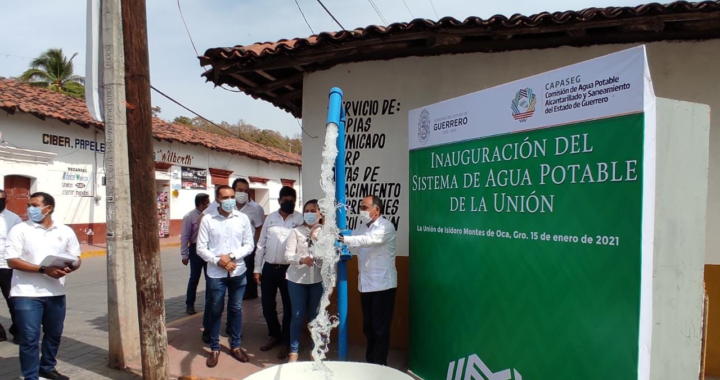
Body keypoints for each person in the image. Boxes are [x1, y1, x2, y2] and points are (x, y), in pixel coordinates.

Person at [6, 192, 82, 380]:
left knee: (54, 334)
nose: (30, 209)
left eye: (35, 205)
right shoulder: (20, 229)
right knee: (30, 338)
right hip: (25, 293)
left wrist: (70, 267)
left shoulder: (65, 231)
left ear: (49, 208)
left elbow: (76, 258)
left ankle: (47, 367)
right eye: (29, 205)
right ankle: (31, 376)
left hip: (55, 292)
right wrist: (43, 269)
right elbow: (12, 261)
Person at [197, 185, 254, 367]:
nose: (229, 200)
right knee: (215, 310)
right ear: (217, 200)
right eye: (225, 197)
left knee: (236, 309)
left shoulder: (243, 219)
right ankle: (214, 348)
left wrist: (230, 257)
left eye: (231, 196)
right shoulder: (208, 219)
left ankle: (236, 346)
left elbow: (249, 245)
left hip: (238, 271)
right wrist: (218, 261)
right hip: (216, 274)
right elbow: (201, 248)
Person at [339, 195, 397, 366]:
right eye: (361, 207)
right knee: (369, 328)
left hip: (383, 286)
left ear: (376, 210)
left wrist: (346, 239)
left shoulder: (386, 227)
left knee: (380, 329)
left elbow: (369, 240)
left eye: (365, 207)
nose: (361, 211)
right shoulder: (362, 227)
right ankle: (371, 362)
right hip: (365, 285)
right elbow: (352, 241)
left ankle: (380, 365)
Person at [254, 186, 303, 359]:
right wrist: (257, 269)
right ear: (279, 200)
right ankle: (273, 334)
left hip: (289, 269)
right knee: (267, 305)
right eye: (285, 200)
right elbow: (261, 244)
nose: (289, 203)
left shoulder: (300, 218)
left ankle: (286, 341)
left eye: (292, 200)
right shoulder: (271, 219)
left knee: (289, 306)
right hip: (269, 268)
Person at [284, 199, 324, 362]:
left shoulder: (325, 232)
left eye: (313, 211)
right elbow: (287, 255)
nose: (309, 214)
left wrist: (316, 238)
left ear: (320, 214)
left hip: (317, 280)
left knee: (315, 316)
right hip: (297, 280)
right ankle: (294, 350)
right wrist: (301, 259)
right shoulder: (296, 232)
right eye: (306, 210)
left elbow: (328, 256)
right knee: (297, 315)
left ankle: (315, 349)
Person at [231, 178, 264, 300]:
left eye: (246, 191)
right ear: (233, 190)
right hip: (232, 248)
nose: (243, 193)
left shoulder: (255, 208)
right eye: (240, 190)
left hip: (248, 248)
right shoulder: (228, 205)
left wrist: (255, 246)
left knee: (248, 274)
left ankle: (249, 294)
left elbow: (259, 227)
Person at [181, 193, 210, 315]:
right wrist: (184, 254)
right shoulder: (189, 216)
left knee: (211, 278)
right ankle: (189, 305)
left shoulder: (209, 215)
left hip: (209, 250)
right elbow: (185, 236)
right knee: (194, 278)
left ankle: (210, 303)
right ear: (201, 204)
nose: (209, 204)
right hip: (195, 250)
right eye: (207, 202)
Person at [0, 189, 22, 344]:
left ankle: (18, 330)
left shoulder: (13, 219)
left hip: (6, 267)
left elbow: (19, 243)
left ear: (6, 201)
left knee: (13, 302)